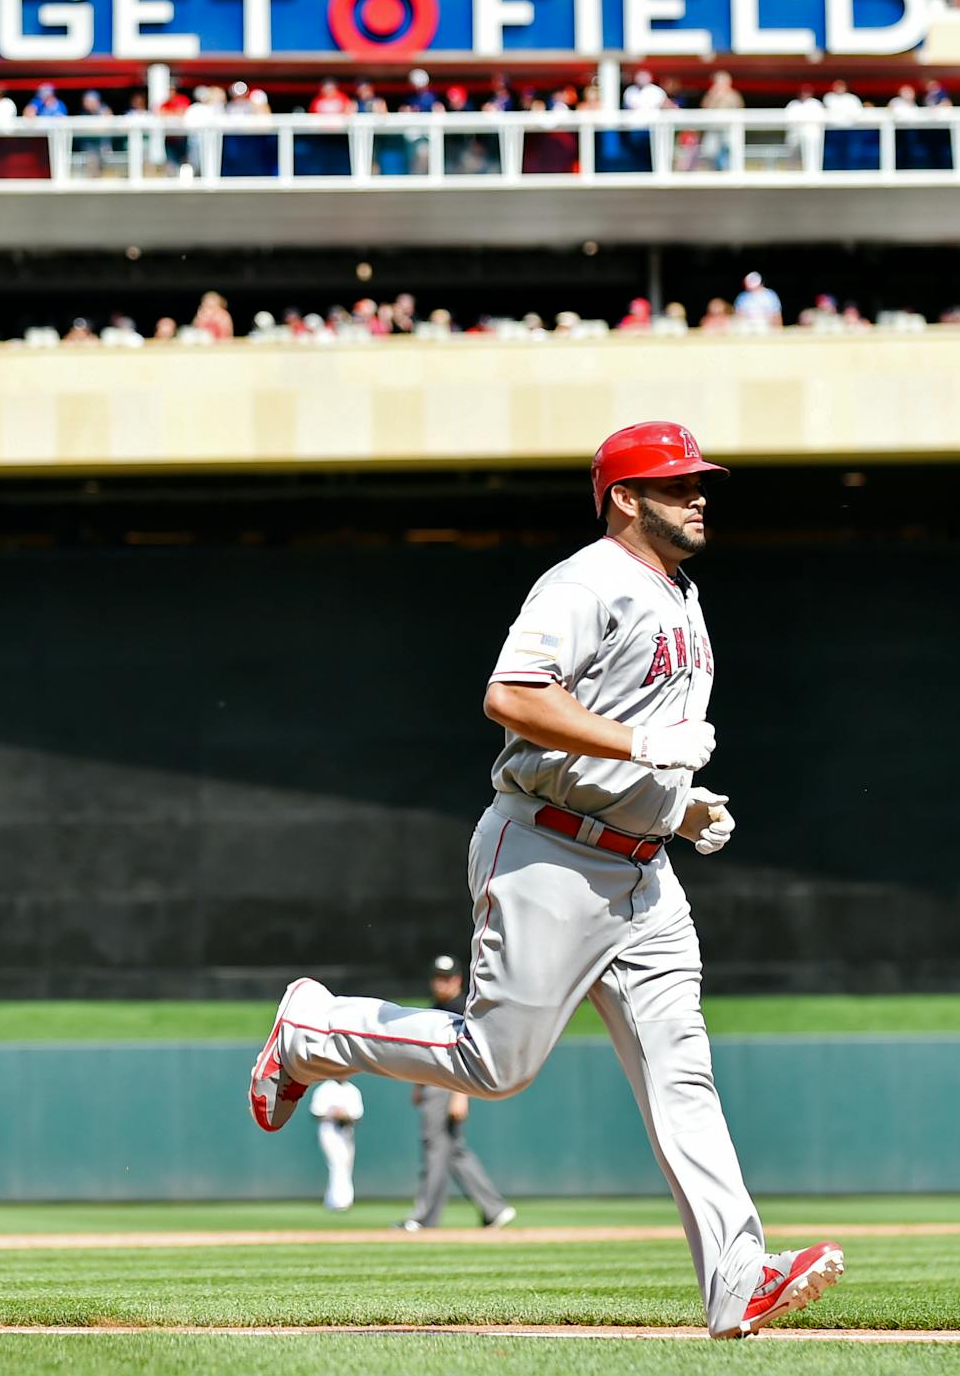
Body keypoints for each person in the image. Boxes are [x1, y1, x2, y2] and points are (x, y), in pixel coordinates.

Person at [247, 421, 845, 1340]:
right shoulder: (584, 582)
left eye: (699, 481)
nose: (698, 495)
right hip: (550, 854)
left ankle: (737, 1278)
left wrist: (673, 806)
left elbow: (622, 734)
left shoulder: (682, 593)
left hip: (642, 875)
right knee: (494, 1065)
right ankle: (312, 1027)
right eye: (676, 482)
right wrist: (647, 751)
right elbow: (514, 696)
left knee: (683, 1076)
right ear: (623, 499)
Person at [393, 955, 516, 1232]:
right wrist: (417, 1083)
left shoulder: (462, 1008)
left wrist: (462, 1094)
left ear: (458, 980)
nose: (442, 982)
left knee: (435, 1148)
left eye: (447, 977)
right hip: (435, 1082)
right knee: (453, 1150)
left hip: (449, 1085)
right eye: (438, 976)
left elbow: (467, 1057)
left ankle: (424, 1218)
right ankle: (493, 1208)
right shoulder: (436, 1007)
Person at [307, 1078, 363, 1211]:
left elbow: (357, 1115)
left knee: (346, 1164)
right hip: (329, 1129)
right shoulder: (325, 1089)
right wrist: (334, 1114)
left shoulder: (352, 1090)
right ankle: (338, 1202)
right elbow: (316, 1112)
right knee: (337, 1162)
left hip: (346, 1130)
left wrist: (345, 1115)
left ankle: (341, 1200)